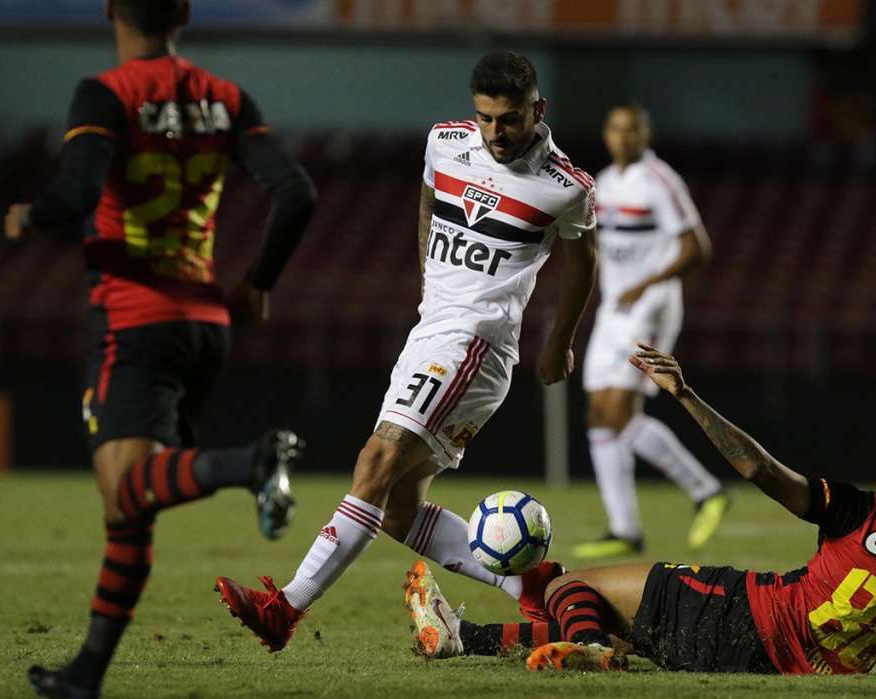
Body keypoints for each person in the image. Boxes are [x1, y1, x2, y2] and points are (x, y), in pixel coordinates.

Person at [214, 50, 598, 654]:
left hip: (475, 344)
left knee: (376, 460)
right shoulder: (446, 142)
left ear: (537, 109)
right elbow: (428, 198)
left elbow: (583, 262)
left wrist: (559, 342)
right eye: (486, 118)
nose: (496, 132)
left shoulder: (566, 187)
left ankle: (284, 608)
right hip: (431, 333)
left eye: (509, 119)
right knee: (397, 512)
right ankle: (533, 585)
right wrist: (428, 282)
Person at [5, 2, 317, 696]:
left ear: (110, 8)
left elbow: (77, 190)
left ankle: (251, 463)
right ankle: (85, 675)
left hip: (134, 316)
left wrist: (29, 215)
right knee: (133, 506)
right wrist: (259, 282)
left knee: (125, 490)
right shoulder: (225, 98)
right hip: (204, 321)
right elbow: (296, 192)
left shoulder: (106, 93)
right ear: (182, 11)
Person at [405, 345, 876, 674]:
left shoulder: (859, 511)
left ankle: (591, 648)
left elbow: (759, 469)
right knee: (611, 615)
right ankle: (463, 638)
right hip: (780, 664)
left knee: (571, 587)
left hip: (746, 617)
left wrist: (686, 395)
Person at [575, 104, 726, 559]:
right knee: (599, 415)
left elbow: (697, 247)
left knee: (619, 410)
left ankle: (704, 490)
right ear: (606, 134)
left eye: (632, 129)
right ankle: (625, 528)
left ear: (646, 134)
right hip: (614, 307)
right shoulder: (603, 182)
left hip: (650, 306)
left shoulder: (661, 180)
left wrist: (644, 283)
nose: (623, 137)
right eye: (615, 128)